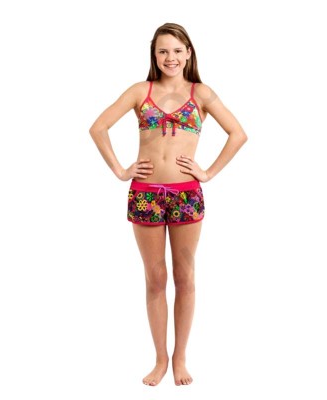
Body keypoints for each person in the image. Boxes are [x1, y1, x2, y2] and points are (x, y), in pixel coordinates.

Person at [89, 22, 247, 386]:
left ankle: (180, 358)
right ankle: (160, 358)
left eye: (177, 50)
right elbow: (98, 127)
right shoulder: (140, 91)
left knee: (184, 277)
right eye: (163, 51)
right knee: (156, 278)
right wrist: (121, 170)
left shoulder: (201, 93)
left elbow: (238, 134)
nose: (170, 57)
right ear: (154, 55)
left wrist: (207, 172)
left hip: (186, 194)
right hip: (145, 194)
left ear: (188, 53)